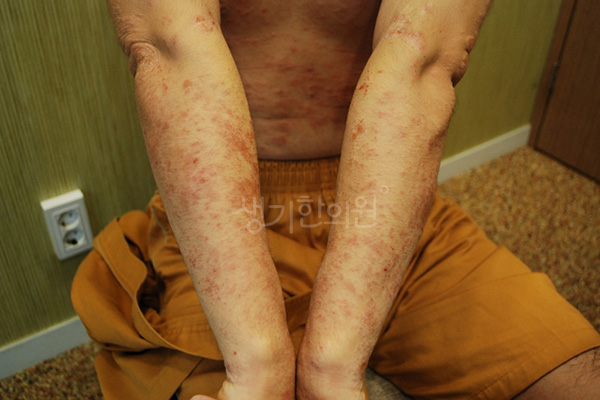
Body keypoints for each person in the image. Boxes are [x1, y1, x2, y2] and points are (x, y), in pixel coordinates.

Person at [72, 0, 600, 399]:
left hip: (387, 210)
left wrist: (333, 368)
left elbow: (421, 55)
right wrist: (256, 362)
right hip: (228, 219)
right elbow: (172, 46)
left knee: (579, 378)